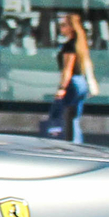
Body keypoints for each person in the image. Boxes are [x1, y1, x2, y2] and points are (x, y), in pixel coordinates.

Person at [39, 12, 95, 142]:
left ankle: (62, 141)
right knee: (74, 116)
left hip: (73, 82)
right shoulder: (80, 44)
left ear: (71, 27)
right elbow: (86, 65)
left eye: (64, 25)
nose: (61, 28)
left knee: (59, 114)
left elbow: (67, 69)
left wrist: (61, 88)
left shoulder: (69, 46)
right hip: (81, 82)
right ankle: (76, 142)